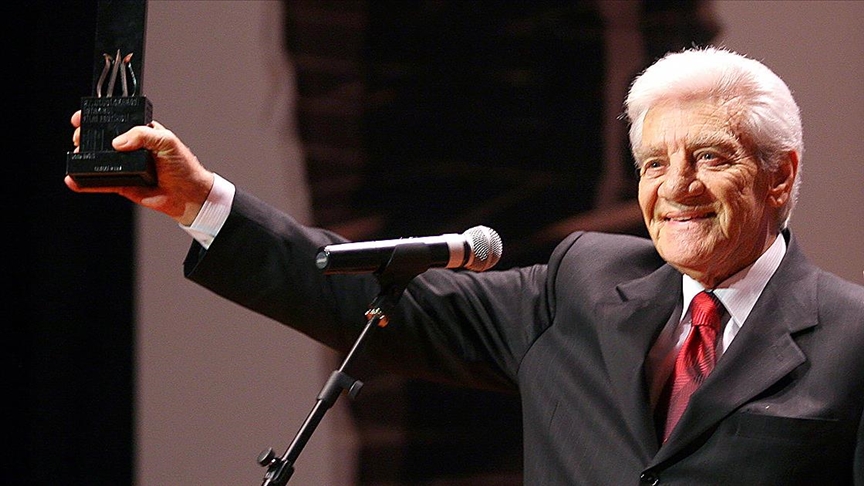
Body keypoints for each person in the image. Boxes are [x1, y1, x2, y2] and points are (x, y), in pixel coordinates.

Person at [67, 47, 864, 485]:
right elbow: (390, 305)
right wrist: (200, 201)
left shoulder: (852, 338)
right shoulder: (585, 287)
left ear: (780, 174)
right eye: (655, 163)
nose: (676, 187)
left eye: (711, 157)